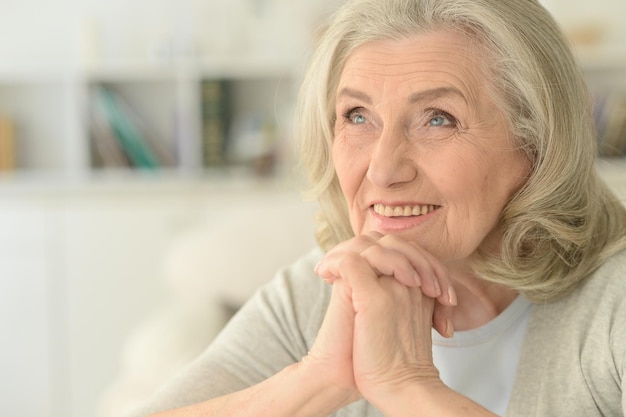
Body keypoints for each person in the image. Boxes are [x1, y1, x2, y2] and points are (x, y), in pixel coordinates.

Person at [129, 0, 626, 416]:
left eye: (438, 118)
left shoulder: (612, 304)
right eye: (358, 116)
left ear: (538, 142)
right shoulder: (317, 294)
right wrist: (316, 379)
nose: (383, 169)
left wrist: (409, 387)